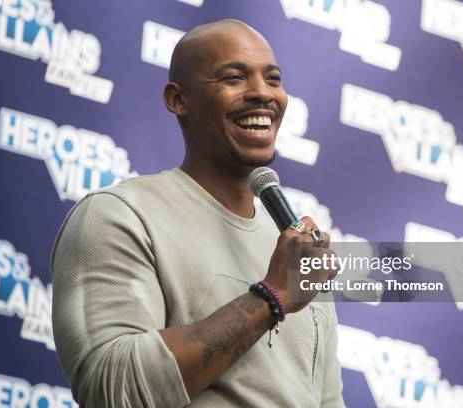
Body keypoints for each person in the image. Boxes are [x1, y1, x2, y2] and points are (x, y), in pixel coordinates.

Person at [50, 19, 344, 407]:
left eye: (273, 79)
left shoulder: (298, 253)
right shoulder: (119, 216)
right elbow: (112, 389)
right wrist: (271, 297)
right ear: (178, 99)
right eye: (234, 78)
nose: (262, 93)